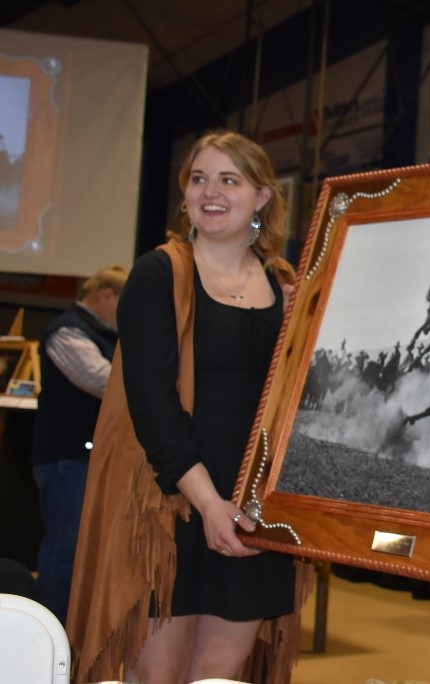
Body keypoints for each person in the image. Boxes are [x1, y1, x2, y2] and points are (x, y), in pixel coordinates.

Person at [67, 131, 305, 684]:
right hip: (172, 501)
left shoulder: (285, 283)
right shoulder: (159, 273)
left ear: (262, 197)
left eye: (229, 179)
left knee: (221, 675)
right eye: (199, 179)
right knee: (160, 677)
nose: (211, 191)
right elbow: (152, 404)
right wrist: (209, 505)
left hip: (253, 506)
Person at [30, 264, 126, 624]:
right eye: (123, 302)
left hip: (89, 460)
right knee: (65, 551)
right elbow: (101, 381)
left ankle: (74, 635)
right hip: (67, 460)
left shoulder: (104, 333)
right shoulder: (67, 330)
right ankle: (51, 637)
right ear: (105, 295)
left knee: (86, 552)